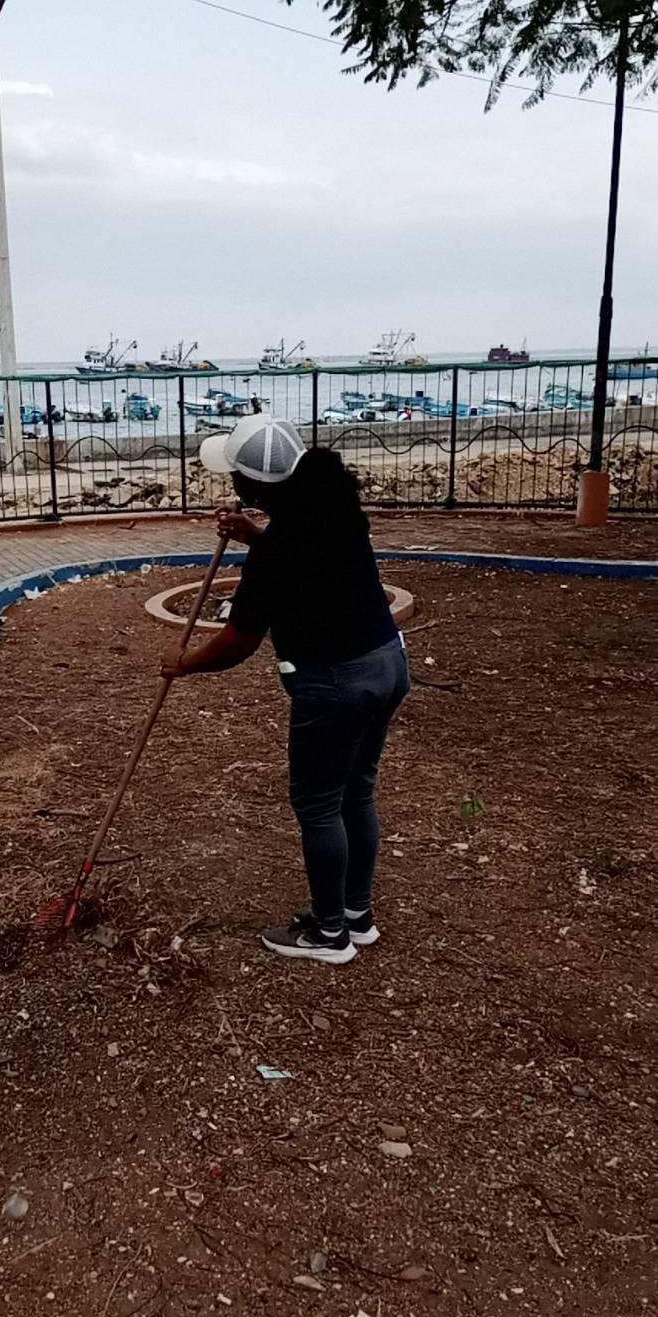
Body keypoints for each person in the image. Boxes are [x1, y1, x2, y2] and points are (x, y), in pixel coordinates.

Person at [161, 413, 409, 965]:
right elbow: (306, 555)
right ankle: (356, 916)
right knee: (356, 792)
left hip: (336, 684)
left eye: (235, 476)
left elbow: (238, 642)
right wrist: (256, 534)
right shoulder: (335, 507)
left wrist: (184, 663)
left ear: (251, 487)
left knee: (319, 805)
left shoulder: (278, 554)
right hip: (387, 664)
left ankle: (329, 936)